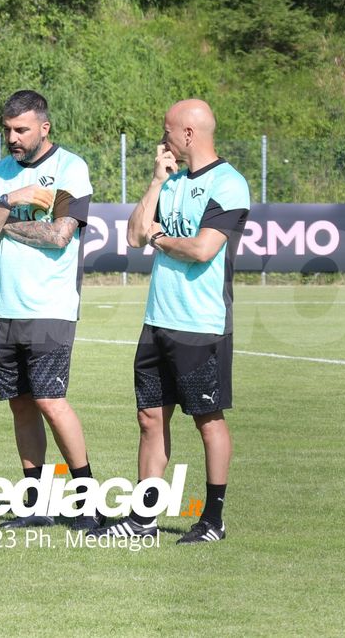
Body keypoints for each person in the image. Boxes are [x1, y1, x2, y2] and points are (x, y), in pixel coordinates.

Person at [91, 99, 250, 544]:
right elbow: (133, 235)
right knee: (149, 418)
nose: (161, 137)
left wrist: (159, 236)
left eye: (166, 130)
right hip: (157, 318)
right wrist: (157, 180)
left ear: (187, 134)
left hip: (201, 322)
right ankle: (143, 521)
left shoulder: (229, 184)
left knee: (207, 419)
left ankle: (213, 520)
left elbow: (202, 249)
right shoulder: (172, 180)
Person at [0, 90, 102, 531]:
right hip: (2, 306)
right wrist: (9, 202)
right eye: (7, 129)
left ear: (44, 127)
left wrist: (3, 225)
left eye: (21, 129)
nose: (13, 137)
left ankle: (86, 500)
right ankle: (36, 504)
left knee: (50, 400)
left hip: (50, 305)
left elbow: (60, 235)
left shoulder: (70, 168)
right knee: (21, 406)